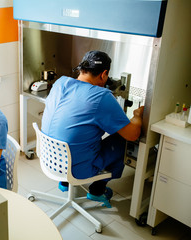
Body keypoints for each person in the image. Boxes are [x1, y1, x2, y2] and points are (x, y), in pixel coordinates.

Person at [41, 50, 144, 204]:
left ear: (82, 68)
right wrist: (137, 116)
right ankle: (97, 190)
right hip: (76, 169)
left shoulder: (60, 82)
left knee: (71, 134)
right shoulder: (101, 96)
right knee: (122, 140)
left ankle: (64, 182)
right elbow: (132, 134)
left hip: (50, 158)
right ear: (104, 74)